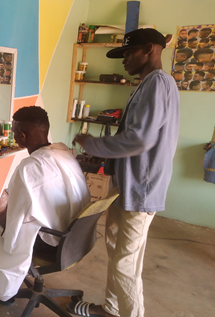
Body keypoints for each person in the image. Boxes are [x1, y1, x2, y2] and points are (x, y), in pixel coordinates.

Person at [70, 29, 179, 317]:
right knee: (116, 249)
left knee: (125, 262)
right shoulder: (146, 84)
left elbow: (140, 138)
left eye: (128, 53)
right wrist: (101, 153)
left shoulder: (158, 83)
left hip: (141, 189)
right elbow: (135, 135)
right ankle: (112, 308)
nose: (123, 60)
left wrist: (94, 143)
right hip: (127, 184)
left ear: (149, 49)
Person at [0, 106, 90, 305]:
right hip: (73, 239)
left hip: (48, 242)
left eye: (15, 132)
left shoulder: (29, 168)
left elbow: (13, 225)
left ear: (22, 135)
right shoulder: (64, 152)